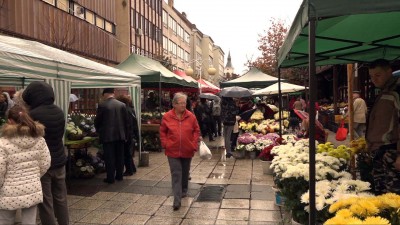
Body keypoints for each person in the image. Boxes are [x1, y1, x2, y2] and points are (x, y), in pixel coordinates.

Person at [22, 81, 69, 225]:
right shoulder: (59, 111)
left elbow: (28, 140)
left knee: (46, 201)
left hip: (42, 164)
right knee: (61, 198)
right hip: (60, 160)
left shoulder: (32, 115)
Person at [0, 105, 51, 225]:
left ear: (10, 121)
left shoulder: (3, 143)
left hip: (8, 190)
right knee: (30, 221)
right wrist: (34, 176)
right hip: (32, 187)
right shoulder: (39, 140)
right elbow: (46, 162)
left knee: (5, 220)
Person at [159, 92, 200, 211]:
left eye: (184, 103)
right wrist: (165, 144)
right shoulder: (167, 116)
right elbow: (162, 132)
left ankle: (183, 190)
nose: (183, 105)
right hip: (172, 151)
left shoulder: (191, 116)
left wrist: (193, 144)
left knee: (185, 173)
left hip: (187, 150)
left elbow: (196, 131)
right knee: (176, 174)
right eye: (181, 103)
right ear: (174, 104)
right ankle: (176, 200)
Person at [366, 59, 400, 195]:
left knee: (394, 199)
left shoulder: (397, 91)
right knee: (382, 196)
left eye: (378, 75)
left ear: (389, 71)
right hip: (379, 151)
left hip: (391, 151)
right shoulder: (384, 91)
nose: (374, 79)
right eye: (371, 76)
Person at [95, 88, 129, 184]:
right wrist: (126, 135)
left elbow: (98, 121)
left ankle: (110, 177)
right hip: (120, 135)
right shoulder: (122, 105)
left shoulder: (102, 105)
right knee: (120, 156)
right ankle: (119, 175)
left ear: (105, 94)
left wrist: (98, 130)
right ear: (113, 93)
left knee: (109, 157)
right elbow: (127, 122)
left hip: (107, 135)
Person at [116, 94, 139, 176]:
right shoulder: (131, 109)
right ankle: (132, 168)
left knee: (126, 153)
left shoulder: (124, 110)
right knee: (128, 153)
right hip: (131, 134)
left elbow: (127, 124)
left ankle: (129, 170)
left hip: (127, 134)